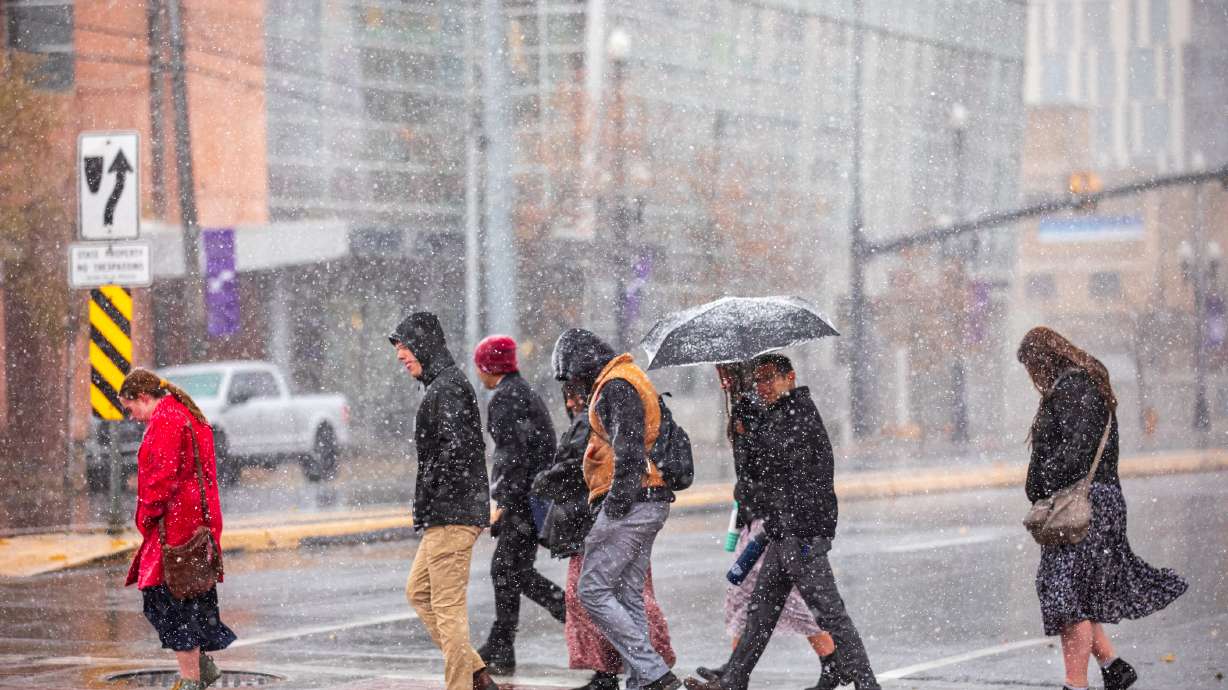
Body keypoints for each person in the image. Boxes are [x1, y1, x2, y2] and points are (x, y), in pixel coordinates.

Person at [686, 354, 880, 690]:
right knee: (761, 611)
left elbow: (777, 465)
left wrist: (749, 432)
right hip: (782, 531)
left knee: (829, 611)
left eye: (769, 378)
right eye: (758, 380)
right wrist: (744, 431)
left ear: (789, 377)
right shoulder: (776, 413)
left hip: (802, 534)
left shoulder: (797, 412)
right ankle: (733, 680)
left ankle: (867, 684)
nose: (763, 386)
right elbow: (760, 471)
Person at [1017, 327, 1186, 690]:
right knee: (1076, 594)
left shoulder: (1074, 388)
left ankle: (1075, 684)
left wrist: (1041, 483)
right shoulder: (1080, 385)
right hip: (1094, 502)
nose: (1032, 377)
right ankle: (1113, 667)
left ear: (1043, 359)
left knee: (1067, 597)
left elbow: (1075, 454)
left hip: (1084, 506)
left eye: (1031, 367)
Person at [551, 328, 681, 690]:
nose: (575, 387)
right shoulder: (625, 378)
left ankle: (655, 674)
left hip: (633, 502)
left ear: (582, 363)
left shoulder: (616, 385)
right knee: (627, 594)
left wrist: (614, 505)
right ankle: (642, 681)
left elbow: (629, 448)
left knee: (591, 590)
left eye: (573, 376)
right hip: (647, 500)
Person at [389, 312, 499, 690]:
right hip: (445, 512)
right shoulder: (441, 386)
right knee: (418, 592)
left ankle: (461, 684)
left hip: (452, 514)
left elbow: (458, 451)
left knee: (448, 609)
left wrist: (433, 488)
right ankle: (477, 674)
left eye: (405, 348)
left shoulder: (448, 388)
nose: (400, 356)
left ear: (423, 346)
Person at [119, 368, 235, 690]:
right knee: (190, 600)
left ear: (144, 397)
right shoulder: (185, 414)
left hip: (175, 529)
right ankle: (200, 669)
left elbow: (161, 479)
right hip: (195, 525)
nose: (132, 416)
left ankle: (190, 680)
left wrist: (146, 516)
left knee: (168, 603)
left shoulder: (167, 421)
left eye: (131, 408)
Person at [471, 334, 567, 674]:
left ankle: (572, 612)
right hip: (531, 495)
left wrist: (505, 501)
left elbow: (512, 456)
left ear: (489, 367)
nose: (477, 372)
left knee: (509, 571)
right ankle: (502, 645)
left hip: (523, 499)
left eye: (479, 365)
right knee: (510, 571)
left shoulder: (507, 398)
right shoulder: (521, 392)